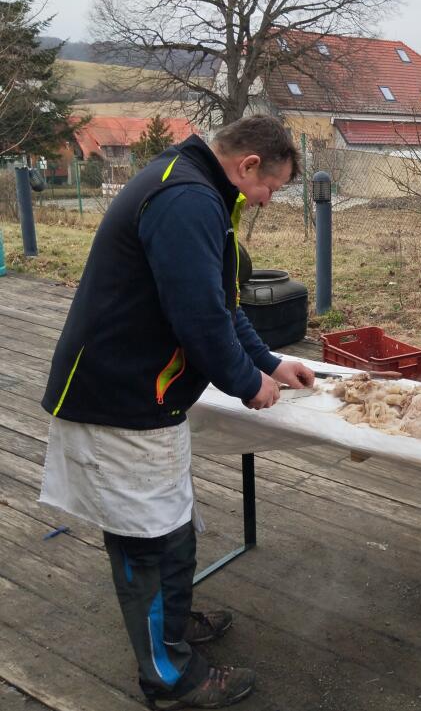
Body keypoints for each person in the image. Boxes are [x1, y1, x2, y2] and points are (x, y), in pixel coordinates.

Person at [39, 115, 315, 708]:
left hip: (147, 395)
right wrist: (246, 383)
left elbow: (221, 303)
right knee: (146, 540)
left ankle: (173, 625)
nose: (267, 199)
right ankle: (168, 677)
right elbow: (198, 318)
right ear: (247, 165)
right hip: (118, 396)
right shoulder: (187, 199)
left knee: (173, 525)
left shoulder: (195, 185)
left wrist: (268, 363)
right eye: (269, 187)